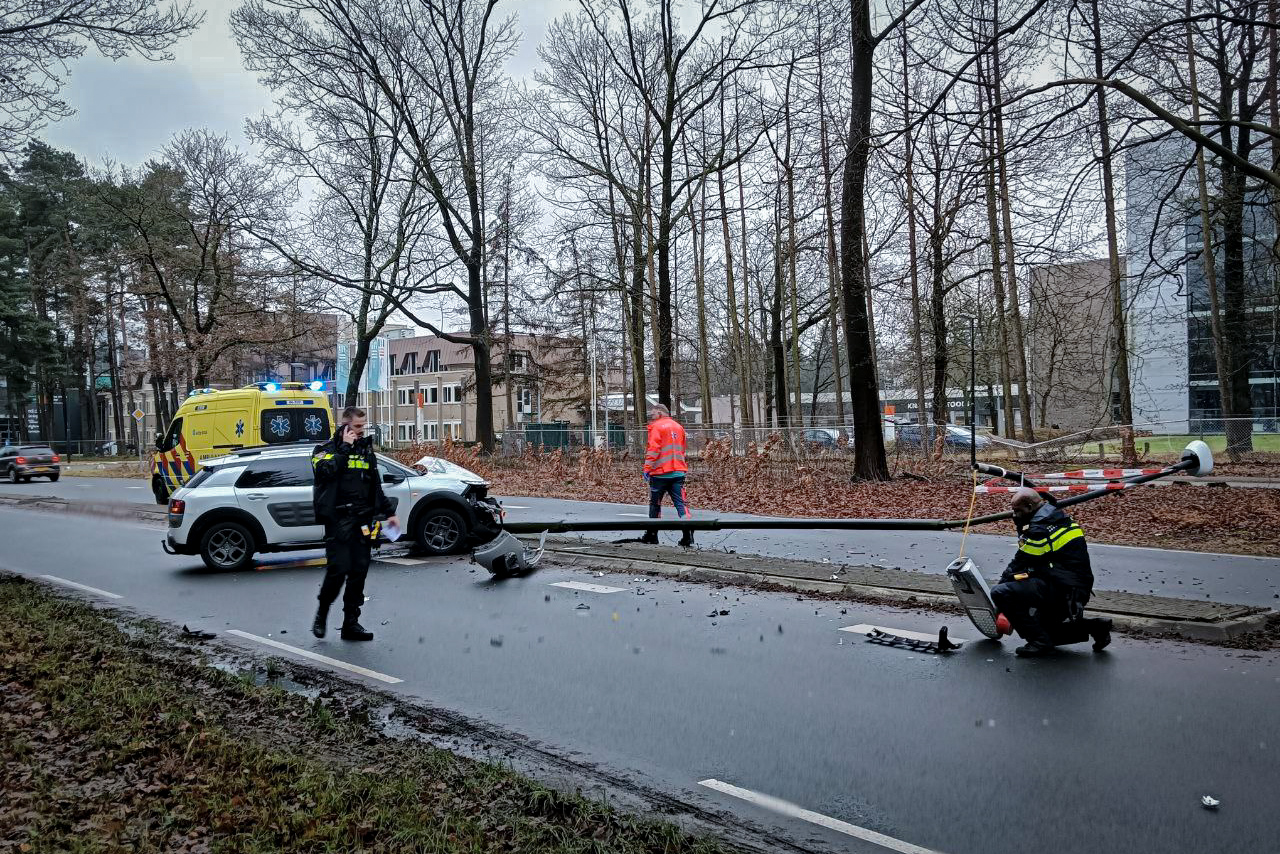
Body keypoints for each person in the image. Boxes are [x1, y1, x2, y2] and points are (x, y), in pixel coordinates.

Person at [990, 487, 1112, 657]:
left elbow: (1020, 562)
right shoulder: (1056, 516)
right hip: (1074, 587)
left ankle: (1039, 643)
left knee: (1000, 592)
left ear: (1030, 507)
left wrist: (999, 600)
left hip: (1064, 590)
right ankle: (1097, 627)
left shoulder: (1039, 529)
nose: (1015, 515)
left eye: (1018, 511)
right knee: (1043, 629)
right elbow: (1037, 560)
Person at [311, 406, 398, 641]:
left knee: (358, 572)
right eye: (357, 426)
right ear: (345, 425)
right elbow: (325, 472)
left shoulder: (365, 450)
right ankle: (322, 613)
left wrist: (389, 513)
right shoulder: (324, 450)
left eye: (363, 426)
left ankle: (351, 624)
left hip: (363, 521)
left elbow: (375, 486)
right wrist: (345, 448)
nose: (361, 430)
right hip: (338, 521)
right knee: (338, 570)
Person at [640, 403, 693, 547]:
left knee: (655, 504)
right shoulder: (678, 427)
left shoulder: (656, 427)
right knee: (681, 504)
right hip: (678, 471)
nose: (652, 417)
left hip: (660, 473)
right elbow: (682, 449)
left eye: (653, 414)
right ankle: (687, 536)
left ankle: (652, 535)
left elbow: (653, 449)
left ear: (660, 413)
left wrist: (647, 468)